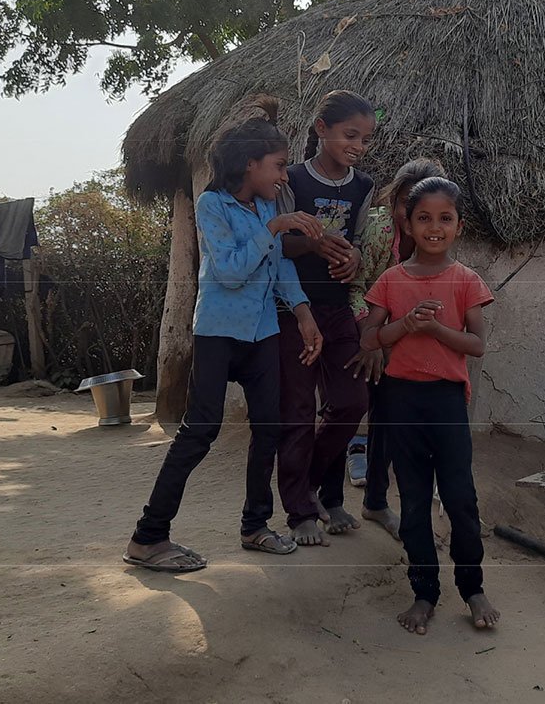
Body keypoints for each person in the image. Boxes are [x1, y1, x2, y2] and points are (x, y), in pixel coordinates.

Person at [124, 100, 325, 571]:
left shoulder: (267, 205)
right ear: (250, 163)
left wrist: (303, 314)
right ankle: (148, 537)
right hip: (218, 333)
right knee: (201, 430)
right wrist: (273, 227)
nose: (284, 176)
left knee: (268, 428)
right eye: (278, 165)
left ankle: (256, 526)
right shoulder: (212, 205)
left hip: (263, 332)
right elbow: (232, 272)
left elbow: (280, 266)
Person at [360, 176, 499, 635]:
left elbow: (477, 345)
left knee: (460, 498)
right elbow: (369, 339)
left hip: (446, 401)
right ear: (407, 223)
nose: (434, 227)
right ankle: (424, 593)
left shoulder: (466, 281)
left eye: (445, 218)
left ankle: (473, 588)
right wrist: (405, 325)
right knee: (415, 500)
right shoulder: (391, 280)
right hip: (401, 399)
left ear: (459, 226)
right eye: (424, 218)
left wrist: (436, 329)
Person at [277, 90, 376, 546]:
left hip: (339, 309)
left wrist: (354, 259)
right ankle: (302, 513)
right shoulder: (293, 180)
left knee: (351, 403)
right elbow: (278, 243)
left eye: (365, 139)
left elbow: (359, 241)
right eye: (349, 135)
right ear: (321, 129)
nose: (357, 146)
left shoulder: (363, 186)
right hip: (295, 311)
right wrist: (313, 244)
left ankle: (314, 488)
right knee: (298, 411)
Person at [343, 158, 448, 540]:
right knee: (348, 408)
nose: (412, 213)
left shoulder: (431, 237)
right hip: (357, 324)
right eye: (406, 202)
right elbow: (354, 287)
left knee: (390, 417)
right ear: (395, 199)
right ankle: (323, 499)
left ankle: (376, 501)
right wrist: (371, 339)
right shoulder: (379, 230)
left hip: (397, 334)